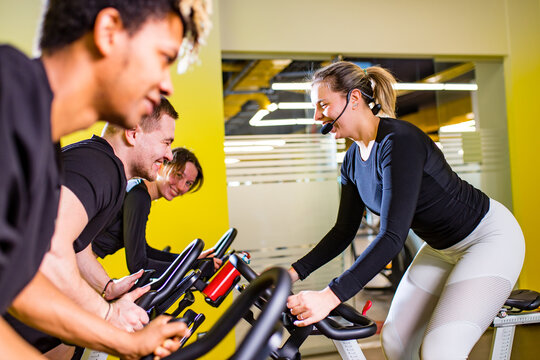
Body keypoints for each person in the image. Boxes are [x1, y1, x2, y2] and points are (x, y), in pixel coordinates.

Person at [0, 0, 212, 358]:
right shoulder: (9, 95)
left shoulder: (42, 146)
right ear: (109, 32)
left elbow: (20, 286)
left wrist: (123, 338)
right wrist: (109, 318)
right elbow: (53, 257)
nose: (166, 84)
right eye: (162, 57)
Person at [286, 61, 525, 359]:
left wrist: (330, 296)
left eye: (323, 105)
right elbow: (343, 231)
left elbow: (392, 236)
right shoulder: (350, 161)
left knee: (442, 349)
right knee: (397, 342)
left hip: (488, 239)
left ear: (355, 99)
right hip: (441, 249)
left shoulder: (399, 141)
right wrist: (292, 273)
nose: (317, 116)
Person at [92, 147, 221, 280]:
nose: (182, 187)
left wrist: (189, 259)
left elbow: (144, 251)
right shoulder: (139, 196)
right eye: (178, 175)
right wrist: (193, 265)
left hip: (80, 262)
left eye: (188, 183)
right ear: (162, 166)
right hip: (75, 261)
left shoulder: (137, 189)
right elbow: (138, 265)